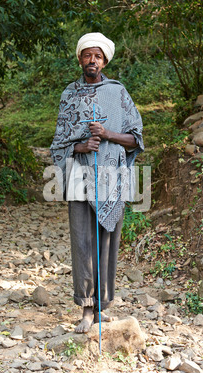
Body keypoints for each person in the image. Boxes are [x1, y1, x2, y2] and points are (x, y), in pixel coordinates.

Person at [50, 32, 144, 333]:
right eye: (87, 55)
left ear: (104, 61)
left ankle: (102, 305)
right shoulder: (69, 94)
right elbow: (57, 146)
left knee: (106, 240)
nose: (93, 60)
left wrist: (107, 135)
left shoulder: (118, 93)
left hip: (111, 176)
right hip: (80, 174)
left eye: (98, 56)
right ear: (80, 58)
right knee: (82, 240)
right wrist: (80, 146)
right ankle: (86, 308)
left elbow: (136, 139)